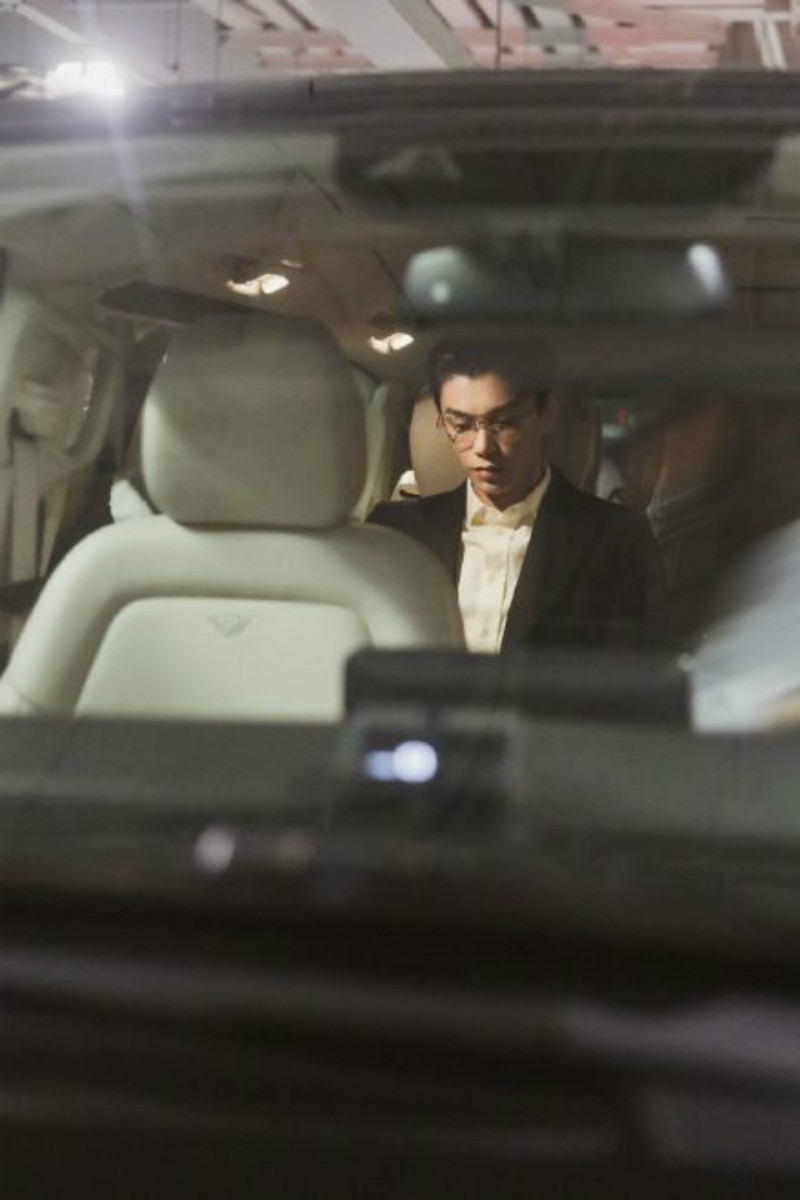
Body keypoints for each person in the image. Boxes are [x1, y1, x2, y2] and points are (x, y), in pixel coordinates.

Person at [369, 336, 665, 652]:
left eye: (504, 422)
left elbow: (631, 670)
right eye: (461, 425)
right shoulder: (393, 533)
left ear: (547, 414)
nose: (483, 447)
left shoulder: (619, 538)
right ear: (441, 421)